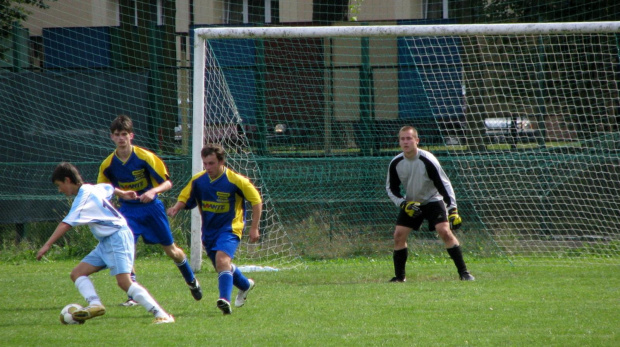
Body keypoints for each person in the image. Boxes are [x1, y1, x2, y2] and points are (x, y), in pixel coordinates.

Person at [36, 162, 175, 324]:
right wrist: (122, 194)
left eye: (59, 185)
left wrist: (47, 245)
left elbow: (66, 223)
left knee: (124, 282)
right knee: (77, 273)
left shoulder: (83, 198)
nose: (59, 190)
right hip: (107, 241)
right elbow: (108, 187)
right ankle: (95, 304)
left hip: (117, 237)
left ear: (67, 180)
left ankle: (161, 315)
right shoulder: (90, 188)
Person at [98, 115, 201, 306]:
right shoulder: (108, 164)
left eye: (124, 134)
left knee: (171, 251)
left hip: (152, 209)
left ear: (131, 136)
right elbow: (102, 190)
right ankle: (133, 295)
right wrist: (121, 193)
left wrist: (153, 191)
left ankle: (191, 279)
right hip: (128, 211)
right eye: (117, 134)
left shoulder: (145, 157)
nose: (121, 138)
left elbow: (168, 183)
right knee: (127, 250)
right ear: (111, 137)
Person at [167, 143, 262, 315]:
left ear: (221, 162)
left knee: (222, 260)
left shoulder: (236, 180)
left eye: (211, 163)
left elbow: (256, 201)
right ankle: (246, 285)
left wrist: (254, 228)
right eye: (205, 163)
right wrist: (175, 208)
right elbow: (185, 196)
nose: (208, 167)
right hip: (209, 231)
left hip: (230, 228)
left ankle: (224, 300)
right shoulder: (199, 181)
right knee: (223, 266)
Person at [386, 126, 475, 282]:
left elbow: (444, 185)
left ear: (417, 141)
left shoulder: (427, 159)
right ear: (399, 141)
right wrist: (404, 204)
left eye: (409, 138)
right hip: (412, 202)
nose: (406, 142)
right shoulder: (396, 163)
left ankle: (464, 273)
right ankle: (400, 278)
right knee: (398, 235)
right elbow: (391, 188)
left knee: (445, 231)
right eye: (402, 139)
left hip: (434, 199)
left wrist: (453, 210)